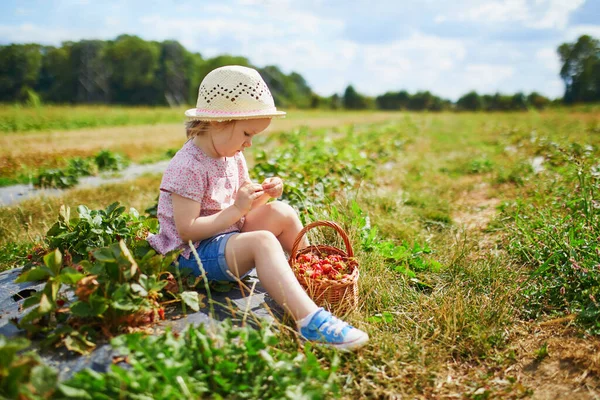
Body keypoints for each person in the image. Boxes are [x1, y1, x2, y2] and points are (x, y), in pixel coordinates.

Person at [147, 65, 368, 351]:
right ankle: (309, 321)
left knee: (283, 211)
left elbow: (244, 206)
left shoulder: (230, 154)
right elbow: (187, 231)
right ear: (218, 122)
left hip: (226, 237)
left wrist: (264, 194)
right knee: (263, 242)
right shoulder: (188, 165)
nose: (249, 144)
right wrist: (237, 210)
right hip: (194, 256)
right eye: (247, 133)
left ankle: (314, 280)